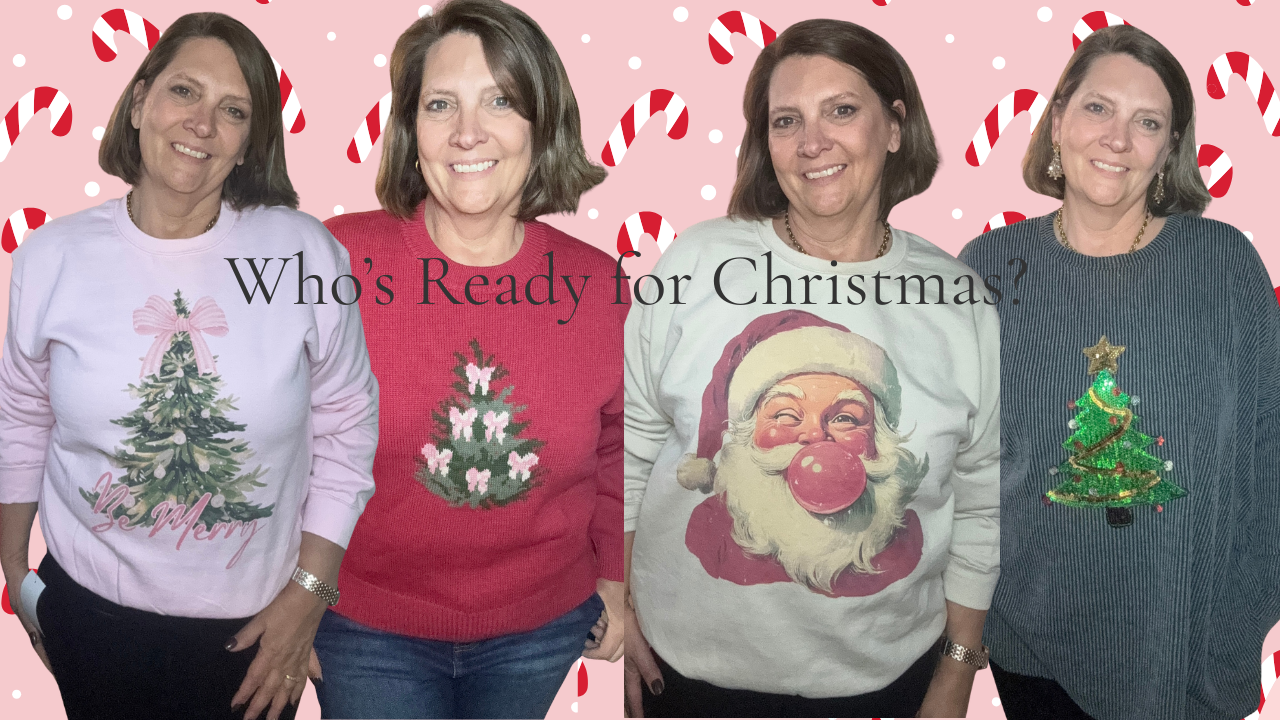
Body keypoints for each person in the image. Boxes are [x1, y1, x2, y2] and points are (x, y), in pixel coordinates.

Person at [0, 12, 378, 720]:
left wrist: (311, 596)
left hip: (254, 637)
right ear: (139, 102)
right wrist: (19, 579)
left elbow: (349, 428)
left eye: (233, 111)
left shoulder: (306, 255)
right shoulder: (50, 258)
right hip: (86, 616)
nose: (202, 123)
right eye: (184, 92)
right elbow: (21, 416)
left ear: (248, 144)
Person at [623, 19, 1000, 718]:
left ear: (893, 127)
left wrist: (957, 669)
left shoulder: (960, 301)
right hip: (685, 679)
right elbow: (631, 441)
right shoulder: (695, 264)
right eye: (787, 120)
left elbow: (980, 500)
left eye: (842, 110)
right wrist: (621, 610)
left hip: (886, 684)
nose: (812, 142)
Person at [310, 1, 625, 718]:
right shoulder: (338, 259)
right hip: (361, 624)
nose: (467, 133)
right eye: (441, 103)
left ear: (542, 124)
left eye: (501, 101)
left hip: (541, 628)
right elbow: (280, 438)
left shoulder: (600, 285)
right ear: (410, 129)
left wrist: (618, 578)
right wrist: (294, 593)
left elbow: (620, 449)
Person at [958, 24, 1280, 720]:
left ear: (1169, 149)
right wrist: (963, 617)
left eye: (1147, 122)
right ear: (1058, 122)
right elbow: (962, 461)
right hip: (1033, 650)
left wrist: (1238, 627)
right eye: (1098, 108)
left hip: (1191, 649)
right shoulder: (986, 266)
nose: (1116, 138)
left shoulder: (1224, 266)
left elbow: (1268, 450)